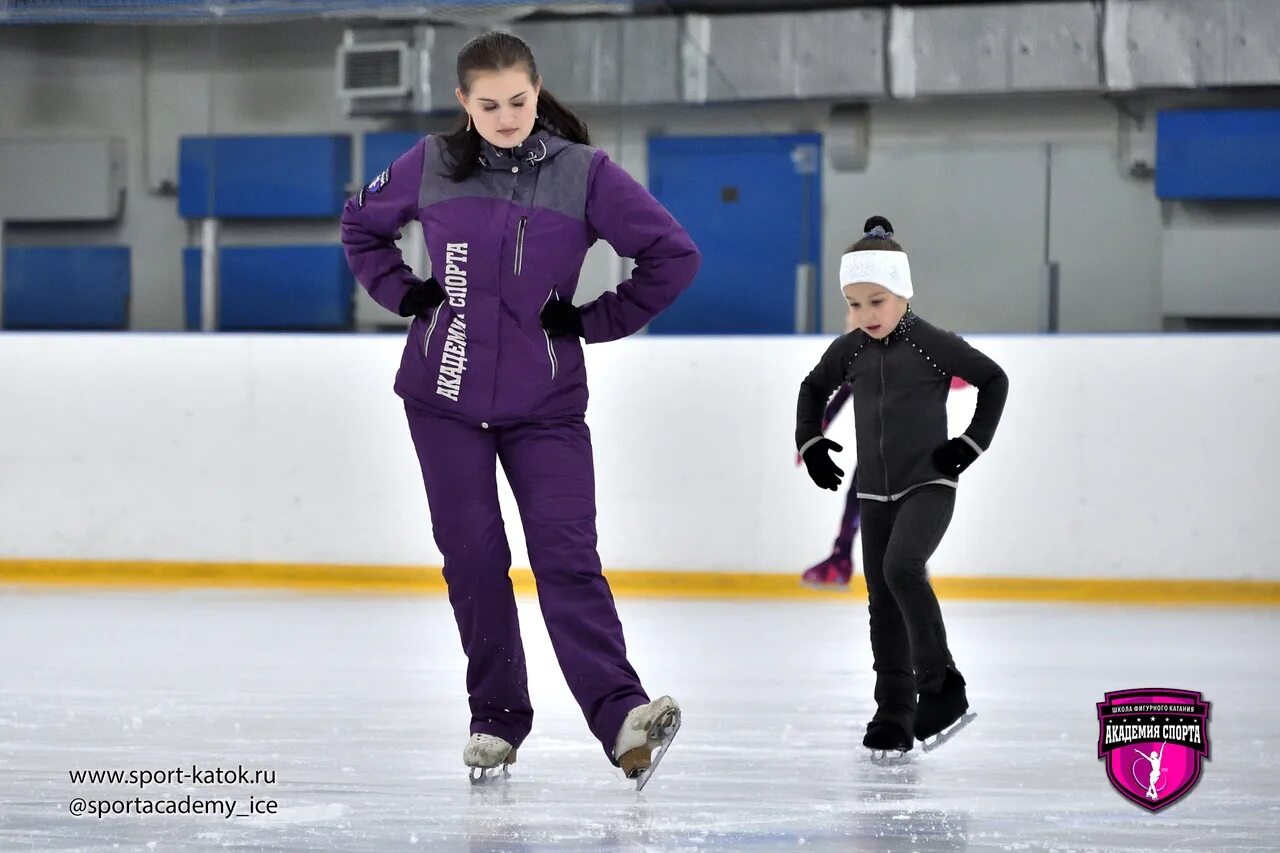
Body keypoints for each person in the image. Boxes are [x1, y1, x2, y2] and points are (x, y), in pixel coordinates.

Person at [340, 31, 701, 786]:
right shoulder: (431, 162)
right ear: (464, 104)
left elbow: (673, 254)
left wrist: (594, 319)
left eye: (519, 101)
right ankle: (496, 721)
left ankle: (622, 717)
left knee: (567, 558)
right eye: (489, 104)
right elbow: (362, 226)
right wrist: (403, 291)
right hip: (442, 399)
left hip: (547, 405)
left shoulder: (585, 174)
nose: (506, 116)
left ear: (538, 92)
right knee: (473, 561)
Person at [794, 216, 1008, 756]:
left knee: (901, 569)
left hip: (928, 484)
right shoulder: (852, 350)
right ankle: (893, 711)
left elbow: (993, 379)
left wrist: (971, 444)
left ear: (902, 294)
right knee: (882, 602)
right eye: (855, 303)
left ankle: (941, 686)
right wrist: (811, 442)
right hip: (875, 493)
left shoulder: (933, 344)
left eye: (877, 301)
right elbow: (813, 387)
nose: (866, 314)